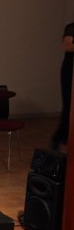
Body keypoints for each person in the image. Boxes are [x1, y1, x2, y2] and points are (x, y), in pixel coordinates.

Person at [51, 21, 74, 151]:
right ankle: (61, 138)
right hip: (70, 73)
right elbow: (67, 46)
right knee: (69, 108)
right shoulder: (71, 28)